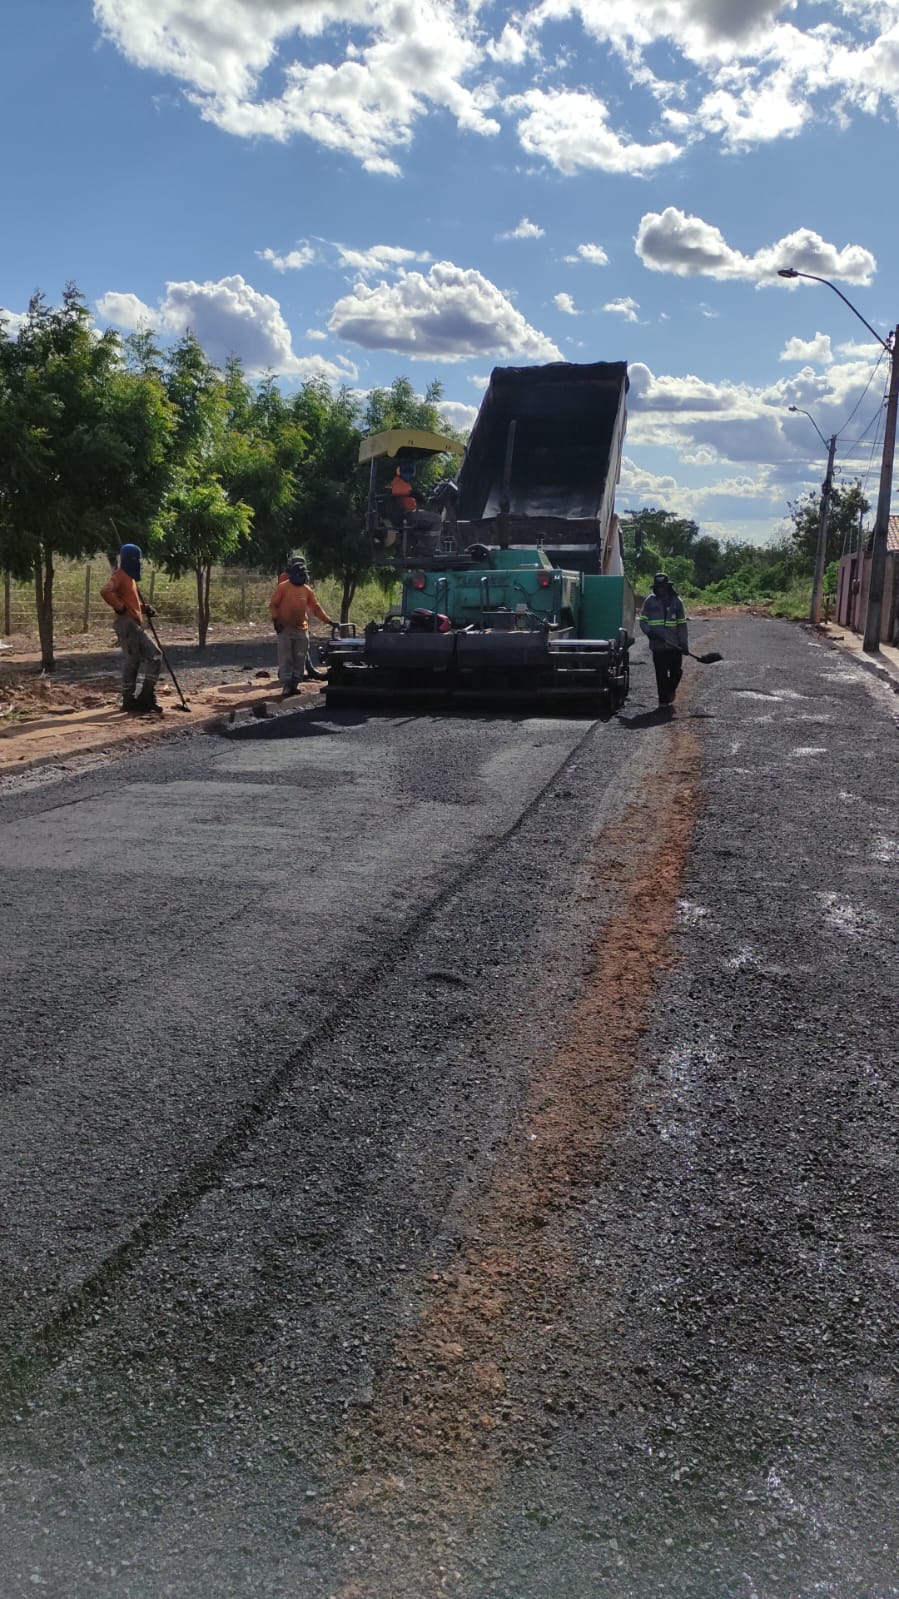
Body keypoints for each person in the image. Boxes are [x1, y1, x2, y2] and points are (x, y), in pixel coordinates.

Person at [101, 543, 163, 714]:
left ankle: (145, 697)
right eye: (135, 559)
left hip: (133, 623)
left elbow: (131, 603)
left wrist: (144, 608)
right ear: (128, 559)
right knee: (134, 661)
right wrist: (119, 608)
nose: (138, 562)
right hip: (126, 624)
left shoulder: (130, 578)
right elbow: (106, 591)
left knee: (154, 657)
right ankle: (129, 700)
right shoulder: (120, 575)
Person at [269, 556, 337, 698]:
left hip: (301, 629)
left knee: (300, 658)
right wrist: (276, 620)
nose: (302, 577)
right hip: (285, 629)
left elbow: (316, 608)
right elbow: (273, 605)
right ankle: (287, 685)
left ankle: (294, 684)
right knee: (286, 658)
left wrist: (329, 621)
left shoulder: (307, 590)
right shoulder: (283, 587)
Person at [639, 571, 688, 709]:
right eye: (658, 587)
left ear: (668, 587)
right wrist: (649, 633)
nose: (660, 589)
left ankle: (670, 691)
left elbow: (682, 624)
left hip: (674, 645)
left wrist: (684, 644)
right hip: (658, 645)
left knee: (676, 672)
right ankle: (663, 701)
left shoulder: (677, 602)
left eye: (663, 587)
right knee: (661, 674)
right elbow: (643, 621)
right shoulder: (649, 601)